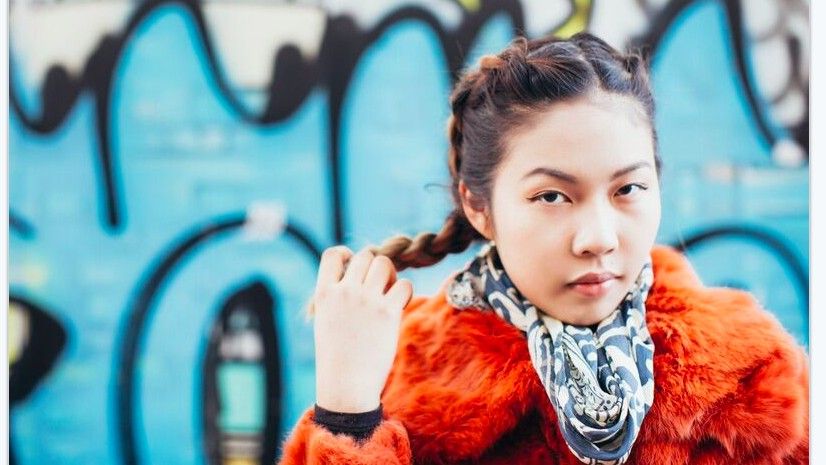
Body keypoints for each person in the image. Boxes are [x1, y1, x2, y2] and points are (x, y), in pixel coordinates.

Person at [277, 32, 809, 464]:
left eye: (628, 189)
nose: (599, 238)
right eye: (552, 196)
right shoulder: (407, 379)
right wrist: (347, 415)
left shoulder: (748, 377)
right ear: (478, 207)